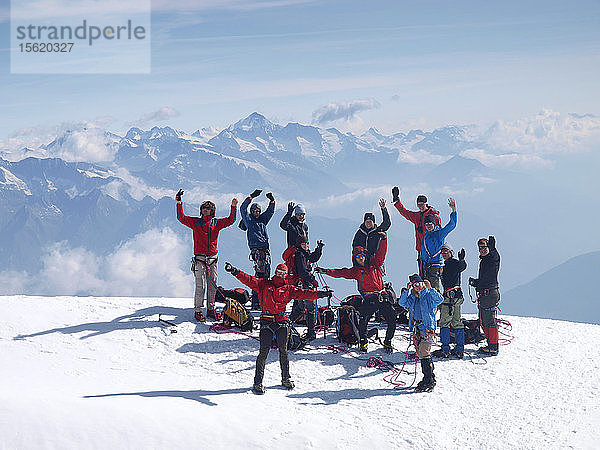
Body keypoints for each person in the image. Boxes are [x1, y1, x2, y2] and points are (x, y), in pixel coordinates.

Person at [224, 261, 332, 394]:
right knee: (263, 352)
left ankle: (285, 379)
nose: (280, 275)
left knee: (284, 351)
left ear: (286, 275)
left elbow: (304, 293)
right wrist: (234, 270)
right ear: (275, 272)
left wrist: (321, 294)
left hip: (282, 322)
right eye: (278, 272)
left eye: (283, 273)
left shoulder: (289, 289)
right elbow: (248, 279)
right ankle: (258, 383)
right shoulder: (264, 284)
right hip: (267, 321)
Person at [315, 233, 396, 353]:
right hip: (369, 298)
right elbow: (341, 272)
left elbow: (381, 252)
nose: (360, 258)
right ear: (355, 259)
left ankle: (388, 341)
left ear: (365, 255)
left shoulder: (375, 264)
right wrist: (325, 271)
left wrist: (384, 239)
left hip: (382, 295)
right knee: (363, 320)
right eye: (357, 257)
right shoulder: (356, 271)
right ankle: (363, 341)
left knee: (392, 318)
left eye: (362, 256)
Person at [176, 189, 237, 322]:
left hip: (211, 259)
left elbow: (231, 220)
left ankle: (210, 309)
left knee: (212, 286)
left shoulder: (216, 223)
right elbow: (181, 218)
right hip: (201, 259)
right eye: (203, 208)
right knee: (201, 286)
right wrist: (179, 203)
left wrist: (233, 207)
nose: (205, 210)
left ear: (212, 210)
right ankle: (198, 311)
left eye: (208, 208)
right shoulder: (196, 222)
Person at [398, 274, 444, 392]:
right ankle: (430, 377)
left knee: (424, 353)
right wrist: (407, 291)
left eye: (418, 284)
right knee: (421, 353)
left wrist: (430, 288)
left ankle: (428, 379)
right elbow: (402, 303)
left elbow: (440, 299)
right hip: (417, 328)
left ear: (423, 283)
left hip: (427, 329)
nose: (417, 287)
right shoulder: (413, 297)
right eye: (414, 285)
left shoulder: (428, 295)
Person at [391, 188, 441, 277]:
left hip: (432, 252)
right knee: (422, 275)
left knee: (433, 277)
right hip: (421, 250)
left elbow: (439, 234)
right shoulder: (417, 216)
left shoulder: (434, 216)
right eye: (418, 205)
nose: (420, 207)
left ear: (426, 203)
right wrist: (397, 200)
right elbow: (405, 212)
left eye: (422, 204)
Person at [283, 235, 325, 341]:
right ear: (299, 244)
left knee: (300, 308)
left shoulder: (302, 253)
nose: (306, 246)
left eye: (307, 244)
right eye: (304, 244)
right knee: (310, 309)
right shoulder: (300, 255)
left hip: (300, 284)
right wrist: (312, 280)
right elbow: (302, 272)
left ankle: (286, 325)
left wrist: (319, 249)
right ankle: (311, 333)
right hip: (304, 284)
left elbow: (312, 258)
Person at [240, 189, 276, 309]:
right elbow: (242, 209)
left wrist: (272, 201)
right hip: (257, 251)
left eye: (258, 211)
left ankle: (261, 300)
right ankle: (257, 301)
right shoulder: (249, 220)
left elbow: (270, 212)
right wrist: (250, 197)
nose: (257, 212)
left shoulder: (262, 220)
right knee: (260, 276)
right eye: (255, 210)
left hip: (265, 251)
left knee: (265, 276)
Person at [432, 243, 467, 359]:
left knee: (444, 322)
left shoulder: (452, 263)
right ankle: (459, 349)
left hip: (450, 296)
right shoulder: (449, 264)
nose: (444, 254)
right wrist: (462, 260)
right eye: (443, 252)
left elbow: (461, 267)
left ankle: (446, 349)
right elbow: (461, 267)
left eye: (446, 252)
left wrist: (461, 260)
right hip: (456, 295)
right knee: (457, 321)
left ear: (451, 252)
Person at [469, 235, 501, 356]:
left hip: (490, 293)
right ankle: (491, 344)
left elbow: (496, 258)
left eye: (484, 247)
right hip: (486, 293)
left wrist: (493, 250)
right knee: (484, 320)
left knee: (489, 321)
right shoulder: (485, 261)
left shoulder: (492, 259)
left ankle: (493, 346)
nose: (482, 250)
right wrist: (476, 283)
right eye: (480, 248)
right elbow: (485, 279)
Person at [420, 198, 457, 292]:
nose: (428, 226)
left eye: (430, 224)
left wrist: (454, 210)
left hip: (436, 267)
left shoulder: (439, 234)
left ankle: (438, 306)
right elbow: (424, 255)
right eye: (427, 224)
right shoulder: (425, 238)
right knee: (429, 290)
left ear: (434, 224)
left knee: (434, 290)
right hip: (427, 267)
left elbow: (451, 225)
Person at [352, 198, 391, 263]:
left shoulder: (377, 231)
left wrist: (384, 209)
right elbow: (354, 247)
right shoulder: (360, 233)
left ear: (373, 222)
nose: (368, 224)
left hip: (375, 260)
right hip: (362, 261)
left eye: (370, 221)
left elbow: (387, 223)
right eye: (367, 221)